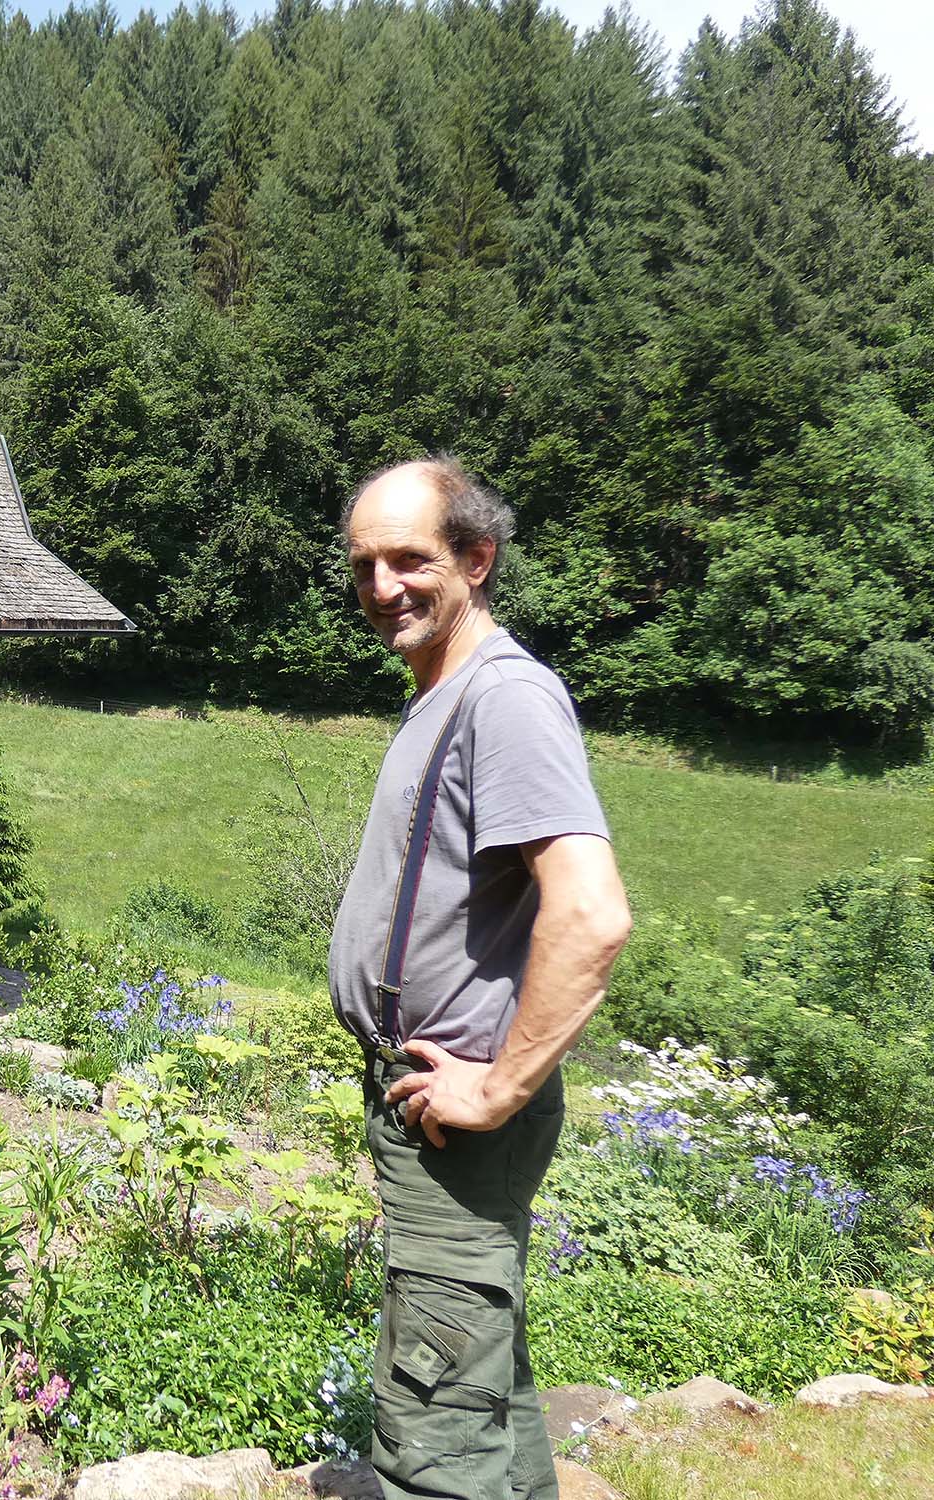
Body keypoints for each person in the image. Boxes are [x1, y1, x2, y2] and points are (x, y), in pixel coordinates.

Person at [329, 455, 632, 1500]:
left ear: (474, 559)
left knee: (435, 1413)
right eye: (362, 563)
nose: (380, 587)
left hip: (458, 1116)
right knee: (477, 1379)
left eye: (407, 560)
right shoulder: (445, 694)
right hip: (432, 1108)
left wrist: (496, 1086)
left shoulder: (502, 699)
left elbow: (590, 916)